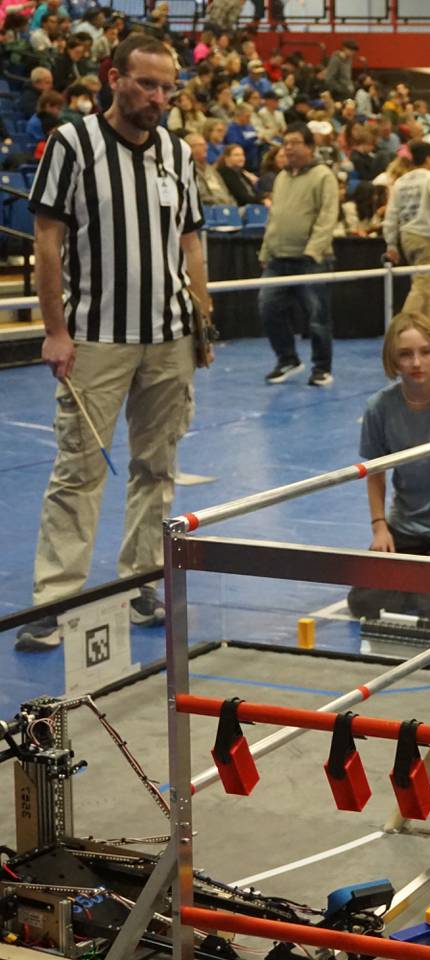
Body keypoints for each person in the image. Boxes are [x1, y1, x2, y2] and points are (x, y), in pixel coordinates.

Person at [17, 33, 211, 651]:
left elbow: (192, 242)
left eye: (166, 88)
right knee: (78, 471)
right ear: (112, 77)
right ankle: (56, 599)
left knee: (157, 467)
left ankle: (143, 580)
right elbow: (46, 240)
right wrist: (54, 330)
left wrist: (203, 322)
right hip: (96, 337)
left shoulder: (178, 154)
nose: (157, 97)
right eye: (145, 84)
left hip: (169, 337)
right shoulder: (74, 143)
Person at [346, 313, 430, 623]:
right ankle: (417, 577)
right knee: (364, 604)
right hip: (404, 527)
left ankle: (428, 580)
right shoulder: (379, 407)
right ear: (392, 360)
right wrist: (380, 526)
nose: (416, 362)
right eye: (405, 355)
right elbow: (375, 472)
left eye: (424, 351)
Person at [259, 123, 339, 386]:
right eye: (285, 143)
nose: (288, 148)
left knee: (318, 317)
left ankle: (322, 368)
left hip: (311, 260)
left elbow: (327, 215)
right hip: (278, 258)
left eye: (294, 142)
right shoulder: (281, 178)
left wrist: (313, 251)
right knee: (267, 308)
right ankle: (287, 359)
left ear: (310, 146)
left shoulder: (323, 175)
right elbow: (275, 217)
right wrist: (265, 249)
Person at [383, 139, 430, 321]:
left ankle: (427, 330)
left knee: (425, 287)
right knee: (421, 286)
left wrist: (391, 243)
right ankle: (402, 329)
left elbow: (391, 214)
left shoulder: (401, 181)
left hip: (407, 237)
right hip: (426, 236)